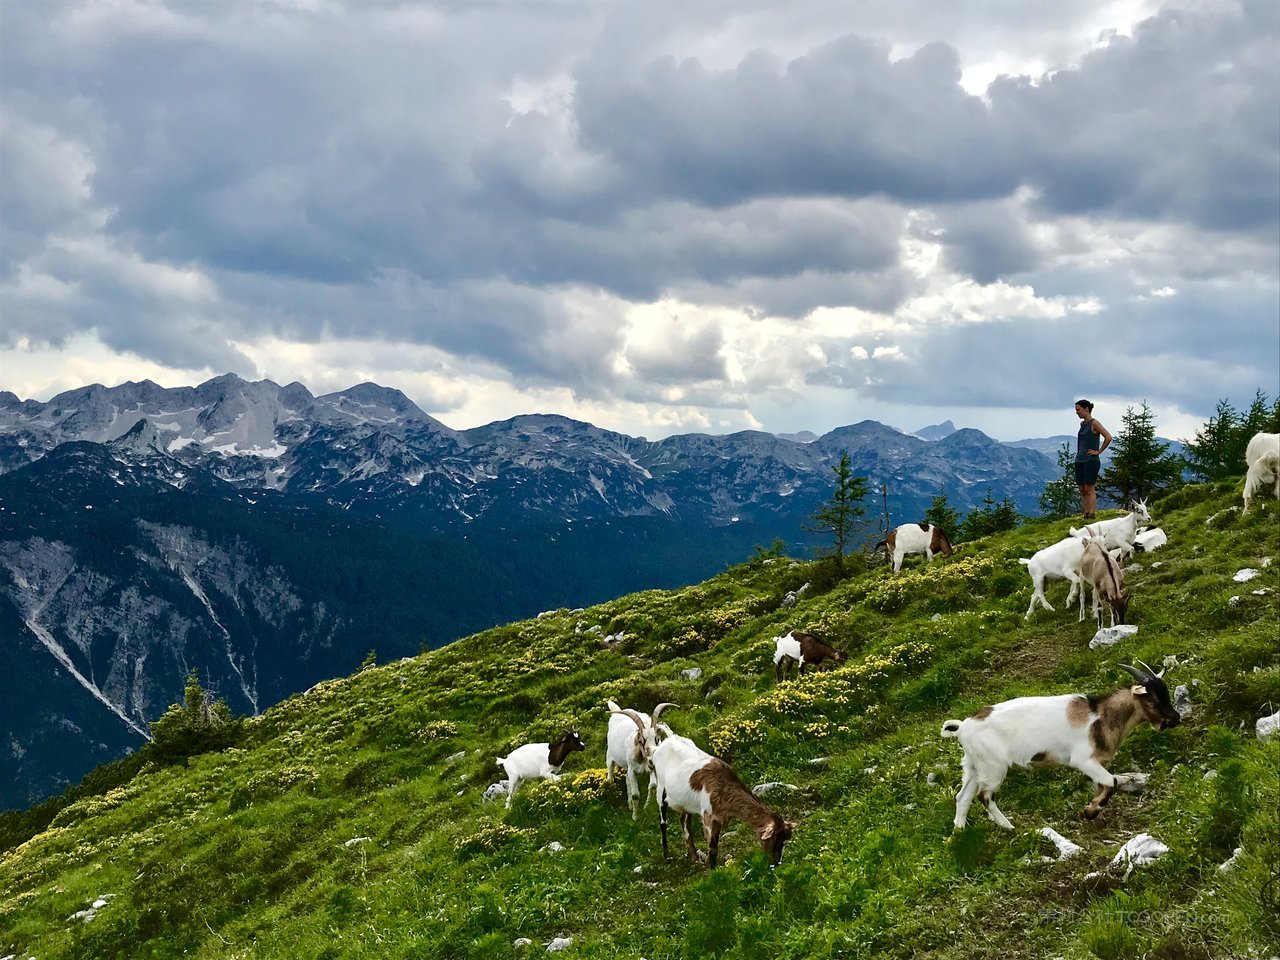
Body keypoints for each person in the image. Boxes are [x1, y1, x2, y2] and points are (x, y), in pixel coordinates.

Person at [1074, 399, 1112, 520]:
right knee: (1082, 488)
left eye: (1078, 410)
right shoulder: (1082, 424)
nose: (1077, 413)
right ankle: (1086, 512)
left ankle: (1091, 513)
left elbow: (1108, 437)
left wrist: (1099, 451)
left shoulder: (1094, 423)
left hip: (1090, 460)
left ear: (1086, 409)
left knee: (1089, 487)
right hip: (1080, 459)